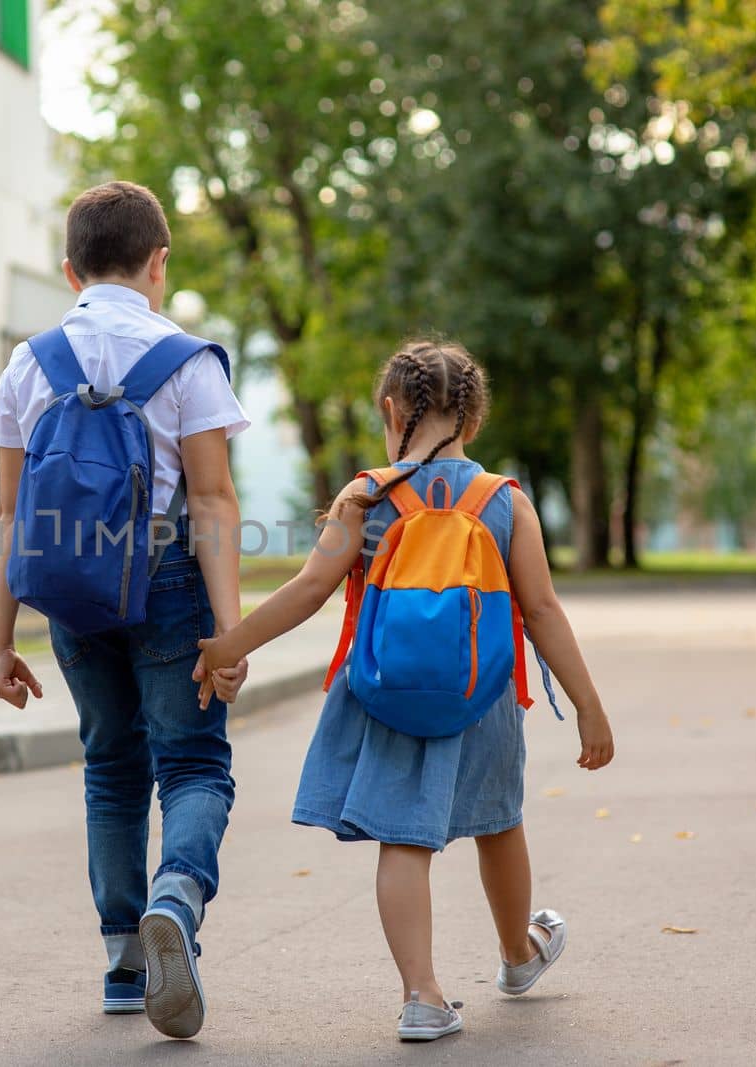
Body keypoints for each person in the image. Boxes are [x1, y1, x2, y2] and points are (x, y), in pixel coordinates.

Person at [194, 338, 615, 1042]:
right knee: (498, 821)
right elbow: (541, 611)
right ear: (472, 421)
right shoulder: (505, 501)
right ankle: (518, 954)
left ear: (390, 410)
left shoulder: (366, 493)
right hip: (484, 698)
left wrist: (229, 644)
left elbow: (309, 590)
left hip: (385, 693)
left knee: (403, 838)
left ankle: (421, 994)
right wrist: (589, 707)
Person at [0, 181, 250, 1040]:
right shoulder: (188, 360)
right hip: (169, 584)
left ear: (70, 270)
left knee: (111, 766)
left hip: (72, 591)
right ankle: (177, 897)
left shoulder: (31, 362)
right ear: (159, 262)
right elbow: (212, 503)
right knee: (196, 765)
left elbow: (11, 514)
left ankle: (125, 958)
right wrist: (230, 631)